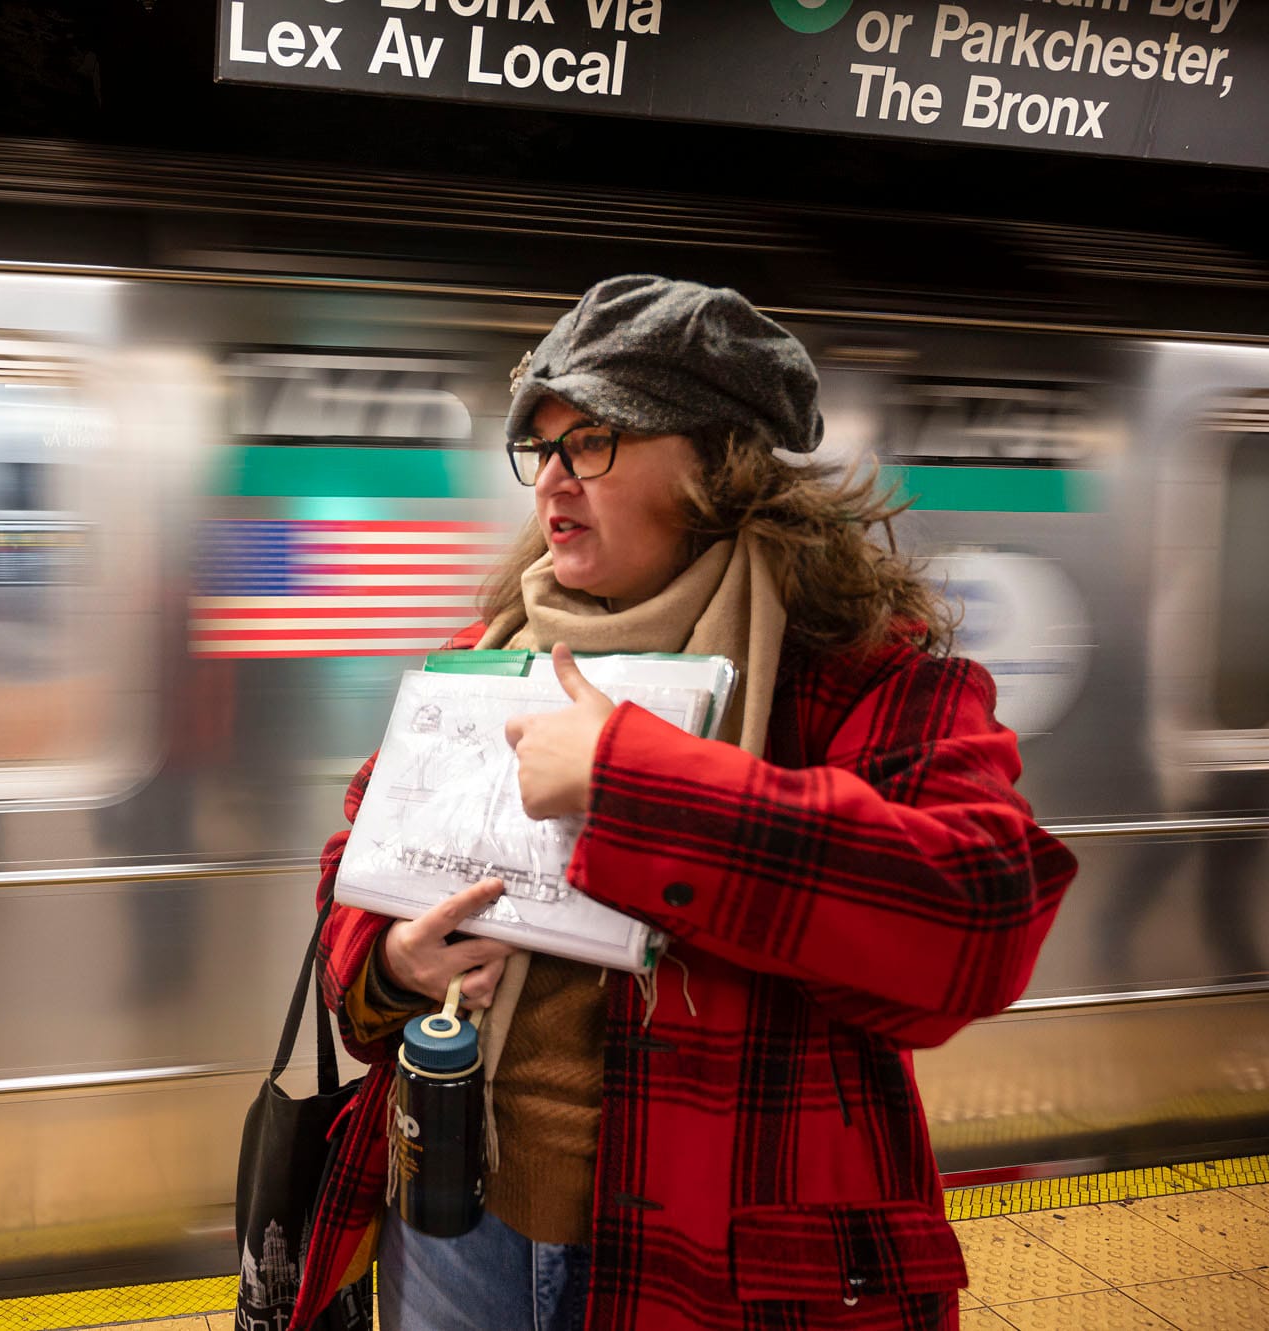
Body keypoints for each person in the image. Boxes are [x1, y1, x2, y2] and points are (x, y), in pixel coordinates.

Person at [287, 276, 1077, 1331]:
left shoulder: (857, 676)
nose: (552, 479)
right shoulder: (494, 653)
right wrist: (391, 963)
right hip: (452, 1226)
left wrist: (633, 783)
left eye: (593, 439)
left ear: (719, 462)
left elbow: (981, 916)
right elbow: (354, 866)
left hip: (716, 1263)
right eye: (541, 448)